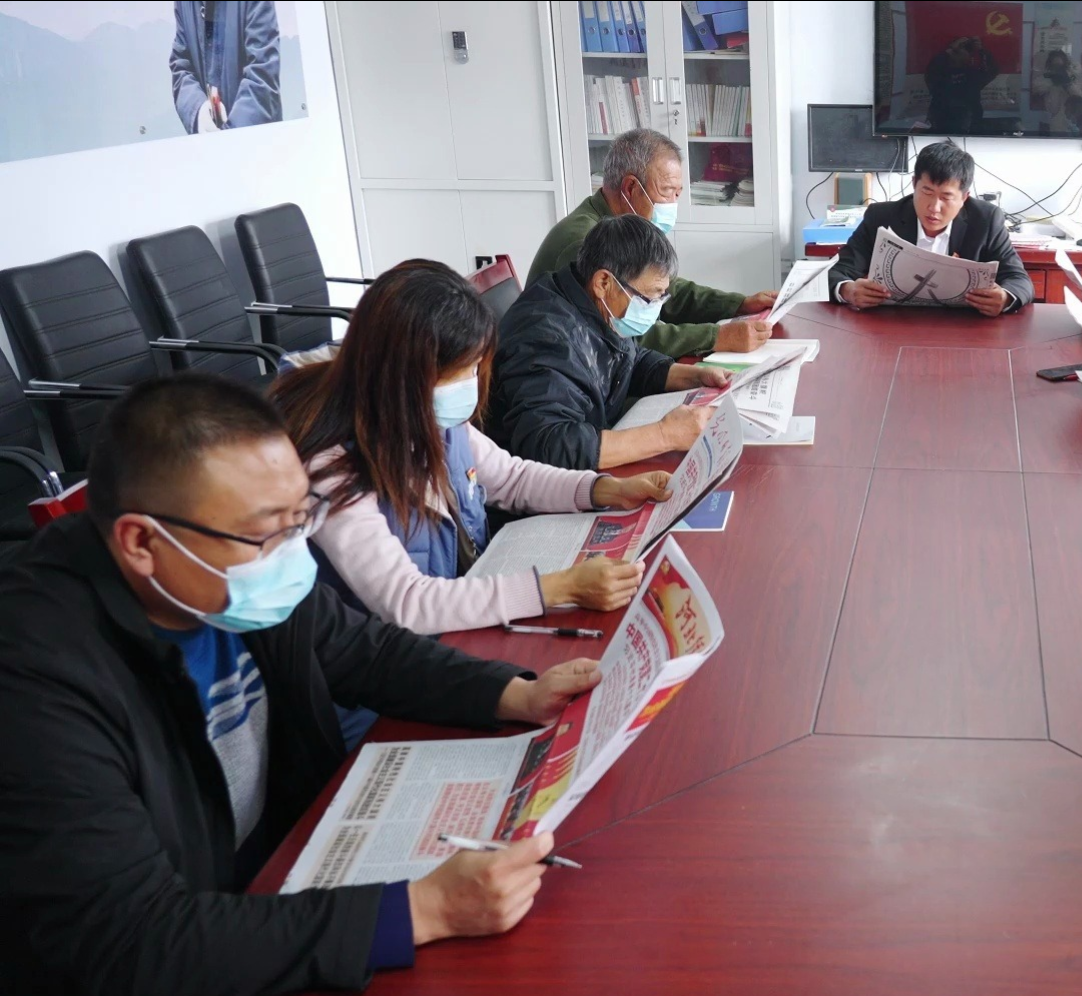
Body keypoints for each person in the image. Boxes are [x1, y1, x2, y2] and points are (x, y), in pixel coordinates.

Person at [0, 375, 606, 994]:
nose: (293, 553)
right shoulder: (35, 680)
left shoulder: (229, 577)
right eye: (269, 532)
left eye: (300, 519)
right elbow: (129, 940)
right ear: (141, 543)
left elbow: (362, 651)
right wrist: (424, 911)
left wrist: (514, 693)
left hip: (282, 872)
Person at [274, 259, 673, 640]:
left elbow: (512, 478)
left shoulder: (428, 415)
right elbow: (406, 601)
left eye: (475, 367)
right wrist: (559, 588)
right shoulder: (331, 466)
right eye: (461, 371)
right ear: (405, 374)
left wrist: (605, 489)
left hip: (465, 608)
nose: (470, 383)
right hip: (396, 659)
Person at [491, 214, 732, 471]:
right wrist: (665, 435)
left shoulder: (590, 302)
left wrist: (696, 376)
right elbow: (551, 446)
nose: (654, 308)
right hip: (539, 483)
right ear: (603, 282)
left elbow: (629, 360)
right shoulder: (547, 338)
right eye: (649, 298)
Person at [523, 128, 775, 358]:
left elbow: (663, 291)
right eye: (666, 191)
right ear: (631, 188)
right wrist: (716, 337)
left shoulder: (622, 228)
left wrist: (738, 305)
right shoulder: (584, 242)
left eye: (677, 194)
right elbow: (623, 336)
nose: (672, 205)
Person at [827, 140, 1034, 317]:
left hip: (964, 329)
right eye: (927, 192)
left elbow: (1019, 279)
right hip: (892, 325)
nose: (934, 207)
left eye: (946, 197)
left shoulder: (986, 220)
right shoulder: (881, 217)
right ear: (914, 184)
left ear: (964, 197)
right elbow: (838, 271)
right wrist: (848, 290)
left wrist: (1005, 298)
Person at [171, 0, 282, 133]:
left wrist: (228, 137)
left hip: (257, 140)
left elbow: (262, 75)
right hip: (209, 142)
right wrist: (198, 113)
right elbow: (181, 65)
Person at [925, 36, 998, 134]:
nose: (961, 53)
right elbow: (932, 70)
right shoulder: (939, 75)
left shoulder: (973, 75)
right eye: (956, 51)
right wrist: (950, 50)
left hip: (970, 127)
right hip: (941, 125)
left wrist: (981, 51)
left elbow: (992, 70)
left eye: (965, 50)